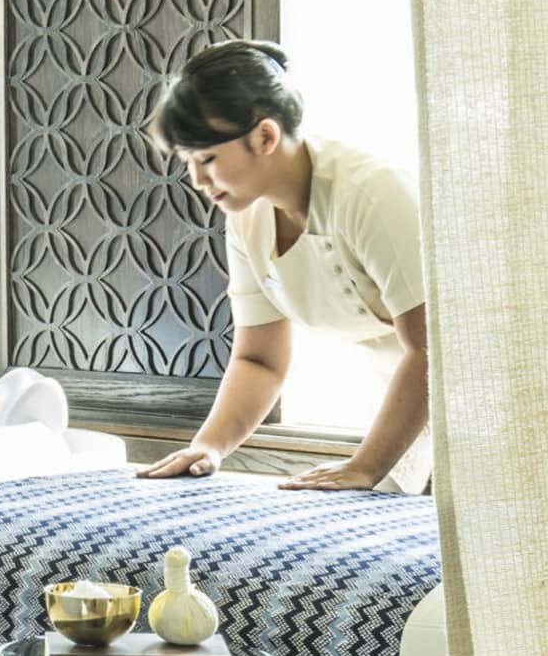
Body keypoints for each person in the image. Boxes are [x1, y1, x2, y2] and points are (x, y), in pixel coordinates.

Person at [137, 40, 431, 493]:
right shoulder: (246, 218)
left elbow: (431, 351)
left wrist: (365, 466)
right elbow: (259, 360)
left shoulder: (373, 195)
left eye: (207, 159)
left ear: (265, 137)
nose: (196, 180)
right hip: (402, 399)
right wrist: (209, 447)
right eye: (188, 162)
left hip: (471, 388)